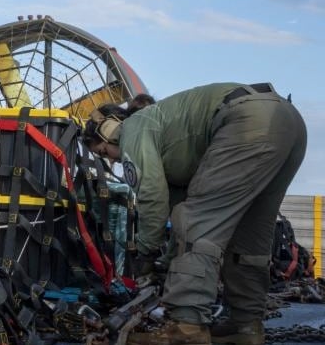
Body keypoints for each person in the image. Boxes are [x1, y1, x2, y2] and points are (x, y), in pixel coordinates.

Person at [83, 83, 306, 345]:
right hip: (288, 122)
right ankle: (245, 327)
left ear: (109, 129)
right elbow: (178, 211)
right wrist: (164, 263)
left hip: (246, 122)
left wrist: (144, 254)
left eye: (103, 152)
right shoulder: (171, 145)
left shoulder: (134, 128)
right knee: (248, 236)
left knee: (197, 222)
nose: (111, 161)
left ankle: (186, 328)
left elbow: (154, 200)